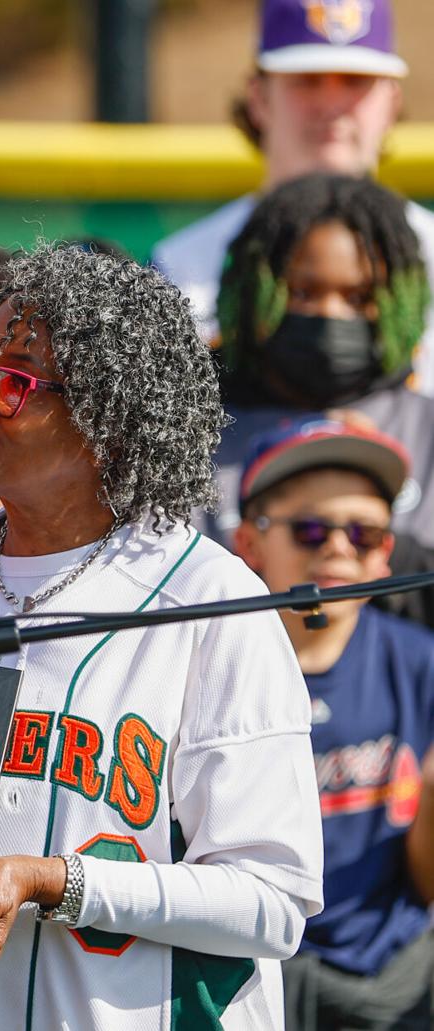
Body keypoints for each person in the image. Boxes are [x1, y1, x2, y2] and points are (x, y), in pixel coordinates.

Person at [0, 244, 323, 1028]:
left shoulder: (213, 603)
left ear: (108, 424)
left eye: (11, 380)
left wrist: (59, 880)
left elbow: (275, 899)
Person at [230, 417, 434, 1029]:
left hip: (390, 973)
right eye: (311, 529)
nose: (339, 548)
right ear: (250, 544)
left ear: (386, 555)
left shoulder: (420, 661)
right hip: (247, 973)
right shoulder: (212, 667)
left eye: (365, 532)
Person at [151, 0, 434, 394]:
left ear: (392, 102)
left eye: (355, 80)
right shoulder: (178, 270)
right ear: (259, 98)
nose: (331, 104)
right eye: (307, 78)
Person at [206, 174, 434, 561]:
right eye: (302, 293)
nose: (330, 314)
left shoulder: (426, 431)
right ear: (252, 295)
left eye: (359, 297)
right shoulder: (193, 435)